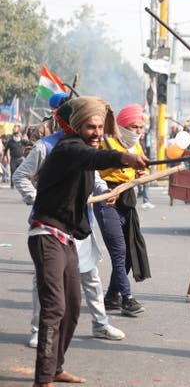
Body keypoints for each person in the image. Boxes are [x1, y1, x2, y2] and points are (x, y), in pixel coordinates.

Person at [28, 96, 147, 386]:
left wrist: (128, 170)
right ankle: (43, 378)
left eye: (100, 128)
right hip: (46, 234)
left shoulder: (83, 152)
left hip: (68, 236)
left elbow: (94, 169)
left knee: (72, 306)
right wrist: (124, 156)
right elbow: (94, 158)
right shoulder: (68, 148)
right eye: (91, 127)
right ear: (77, 127)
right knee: (54, 306)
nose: (97, 133)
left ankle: (56, 367)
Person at [13, 95, 125, 349]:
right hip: (49, 224)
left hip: (78, 224)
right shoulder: (45, 146)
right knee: (44, 280)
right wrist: (38, 199)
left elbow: (95, 177)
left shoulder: (87, 147)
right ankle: (38, 330)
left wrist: (106, 190)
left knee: (90, 275)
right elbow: (21, 176)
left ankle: (100, 323)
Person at [93, 104, 151, 316]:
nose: (138, 131)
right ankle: (127, 297)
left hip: (127, 199)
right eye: (134, 127)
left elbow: (138, 172)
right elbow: (93, 172)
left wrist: (140, 175)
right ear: (124, 127)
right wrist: (108, 190)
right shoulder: (107, 144)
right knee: (118, 250)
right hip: (106, 198)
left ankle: (111, 296)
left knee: (129, 251)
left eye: (141, 127)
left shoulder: (136, 148)